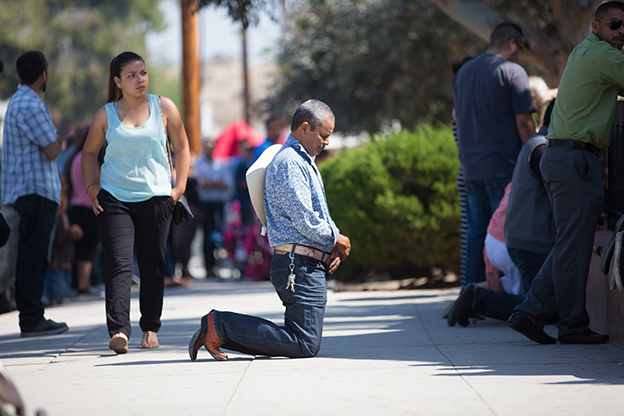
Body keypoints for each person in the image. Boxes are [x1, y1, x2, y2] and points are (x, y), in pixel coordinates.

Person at [188, 99, 351, 361]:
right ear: (305, 128)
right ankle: (219, 325)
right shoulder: (289, 162)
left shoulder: (301, 160)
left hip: (303, 263)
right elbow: (305, 218)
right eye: (324, 135)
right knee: (304, 343)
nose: (327, 142)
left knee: (303, 341)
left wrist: (332, 241)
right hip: (297, 264)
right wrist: (336, 238)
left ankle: (219, 327)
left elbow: (319, 213)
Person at [507, 2, 624, 345]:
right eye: (615, 23)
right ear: (595, 25)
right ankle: (569, 324)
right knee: (573, 244)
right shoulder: (602, 55)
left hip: (568, 158)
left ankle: (531, 312)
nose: (621, 31)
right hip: (573, 159)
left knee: (571, 244)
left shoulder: (587, 52)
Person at [81, 51, 190, 354]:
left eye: (143, 73)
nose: (140, 79)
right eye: (132, 75)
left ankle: (150, 327)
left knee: (153, 265)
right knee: (118, 265)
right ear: (117, 81)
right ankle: (119, 330)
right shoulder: (106, 114)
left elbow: (182, 148)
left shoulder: (164, 106)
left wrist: (178, 188)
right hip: (114, 198)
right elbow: (89, 153)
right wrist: (91, 186)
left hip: (157, 197)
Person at [448, 100, 556, 327]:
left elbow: (492, 224)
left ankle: (475, 292)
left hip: (497, 243)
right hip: (517, 244)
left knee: (516, 290)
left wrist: (489, 264)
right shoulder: (543, 152)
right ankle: (478, 298)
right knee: (538, 308)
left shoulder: (528, 149)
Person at [453, 22, 536, 286]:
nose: (518, 54)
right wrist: (534, 157)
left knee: (477, 233)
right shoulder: (513, 71)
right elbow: (524, 121)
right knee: (509, 233)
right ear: (512, 43)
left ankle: (472, 296)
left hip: (471, 169)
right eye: (519, 48)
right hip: (505, 168)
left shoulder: (464, 71)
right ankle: (517, 296)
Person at [1, 51, 69, 337]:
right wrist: (58, 140)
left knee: (26, 255)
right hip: (36, 191)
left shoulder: (17, 102)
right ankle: (31, 318)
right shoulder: (31, 104)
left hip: (23, 191)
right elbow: (52, 150)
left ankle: (30, 315)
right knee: (34, 256)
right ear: (44, 74)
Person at [65, 123, 100, 294]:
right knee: (88, 248)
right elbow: (99, 180)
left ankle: (81, 283)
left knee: (80, 248)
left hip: (76, 205)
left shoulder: (74, 158)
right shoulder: (89, 160)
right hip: (88, 206)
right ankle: (83, 284)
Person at [192, 138, 231, 277]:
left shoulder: (220, 165)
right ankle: (208, 266)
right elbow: (199, 184)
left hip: (218, 203)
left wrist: (209, 184)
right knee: (206, 234)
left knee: (218, 233)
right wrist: (215, 184)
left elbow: (226, 185)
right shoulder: (197, 164)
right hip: (204, 204)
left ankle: (218, 264)